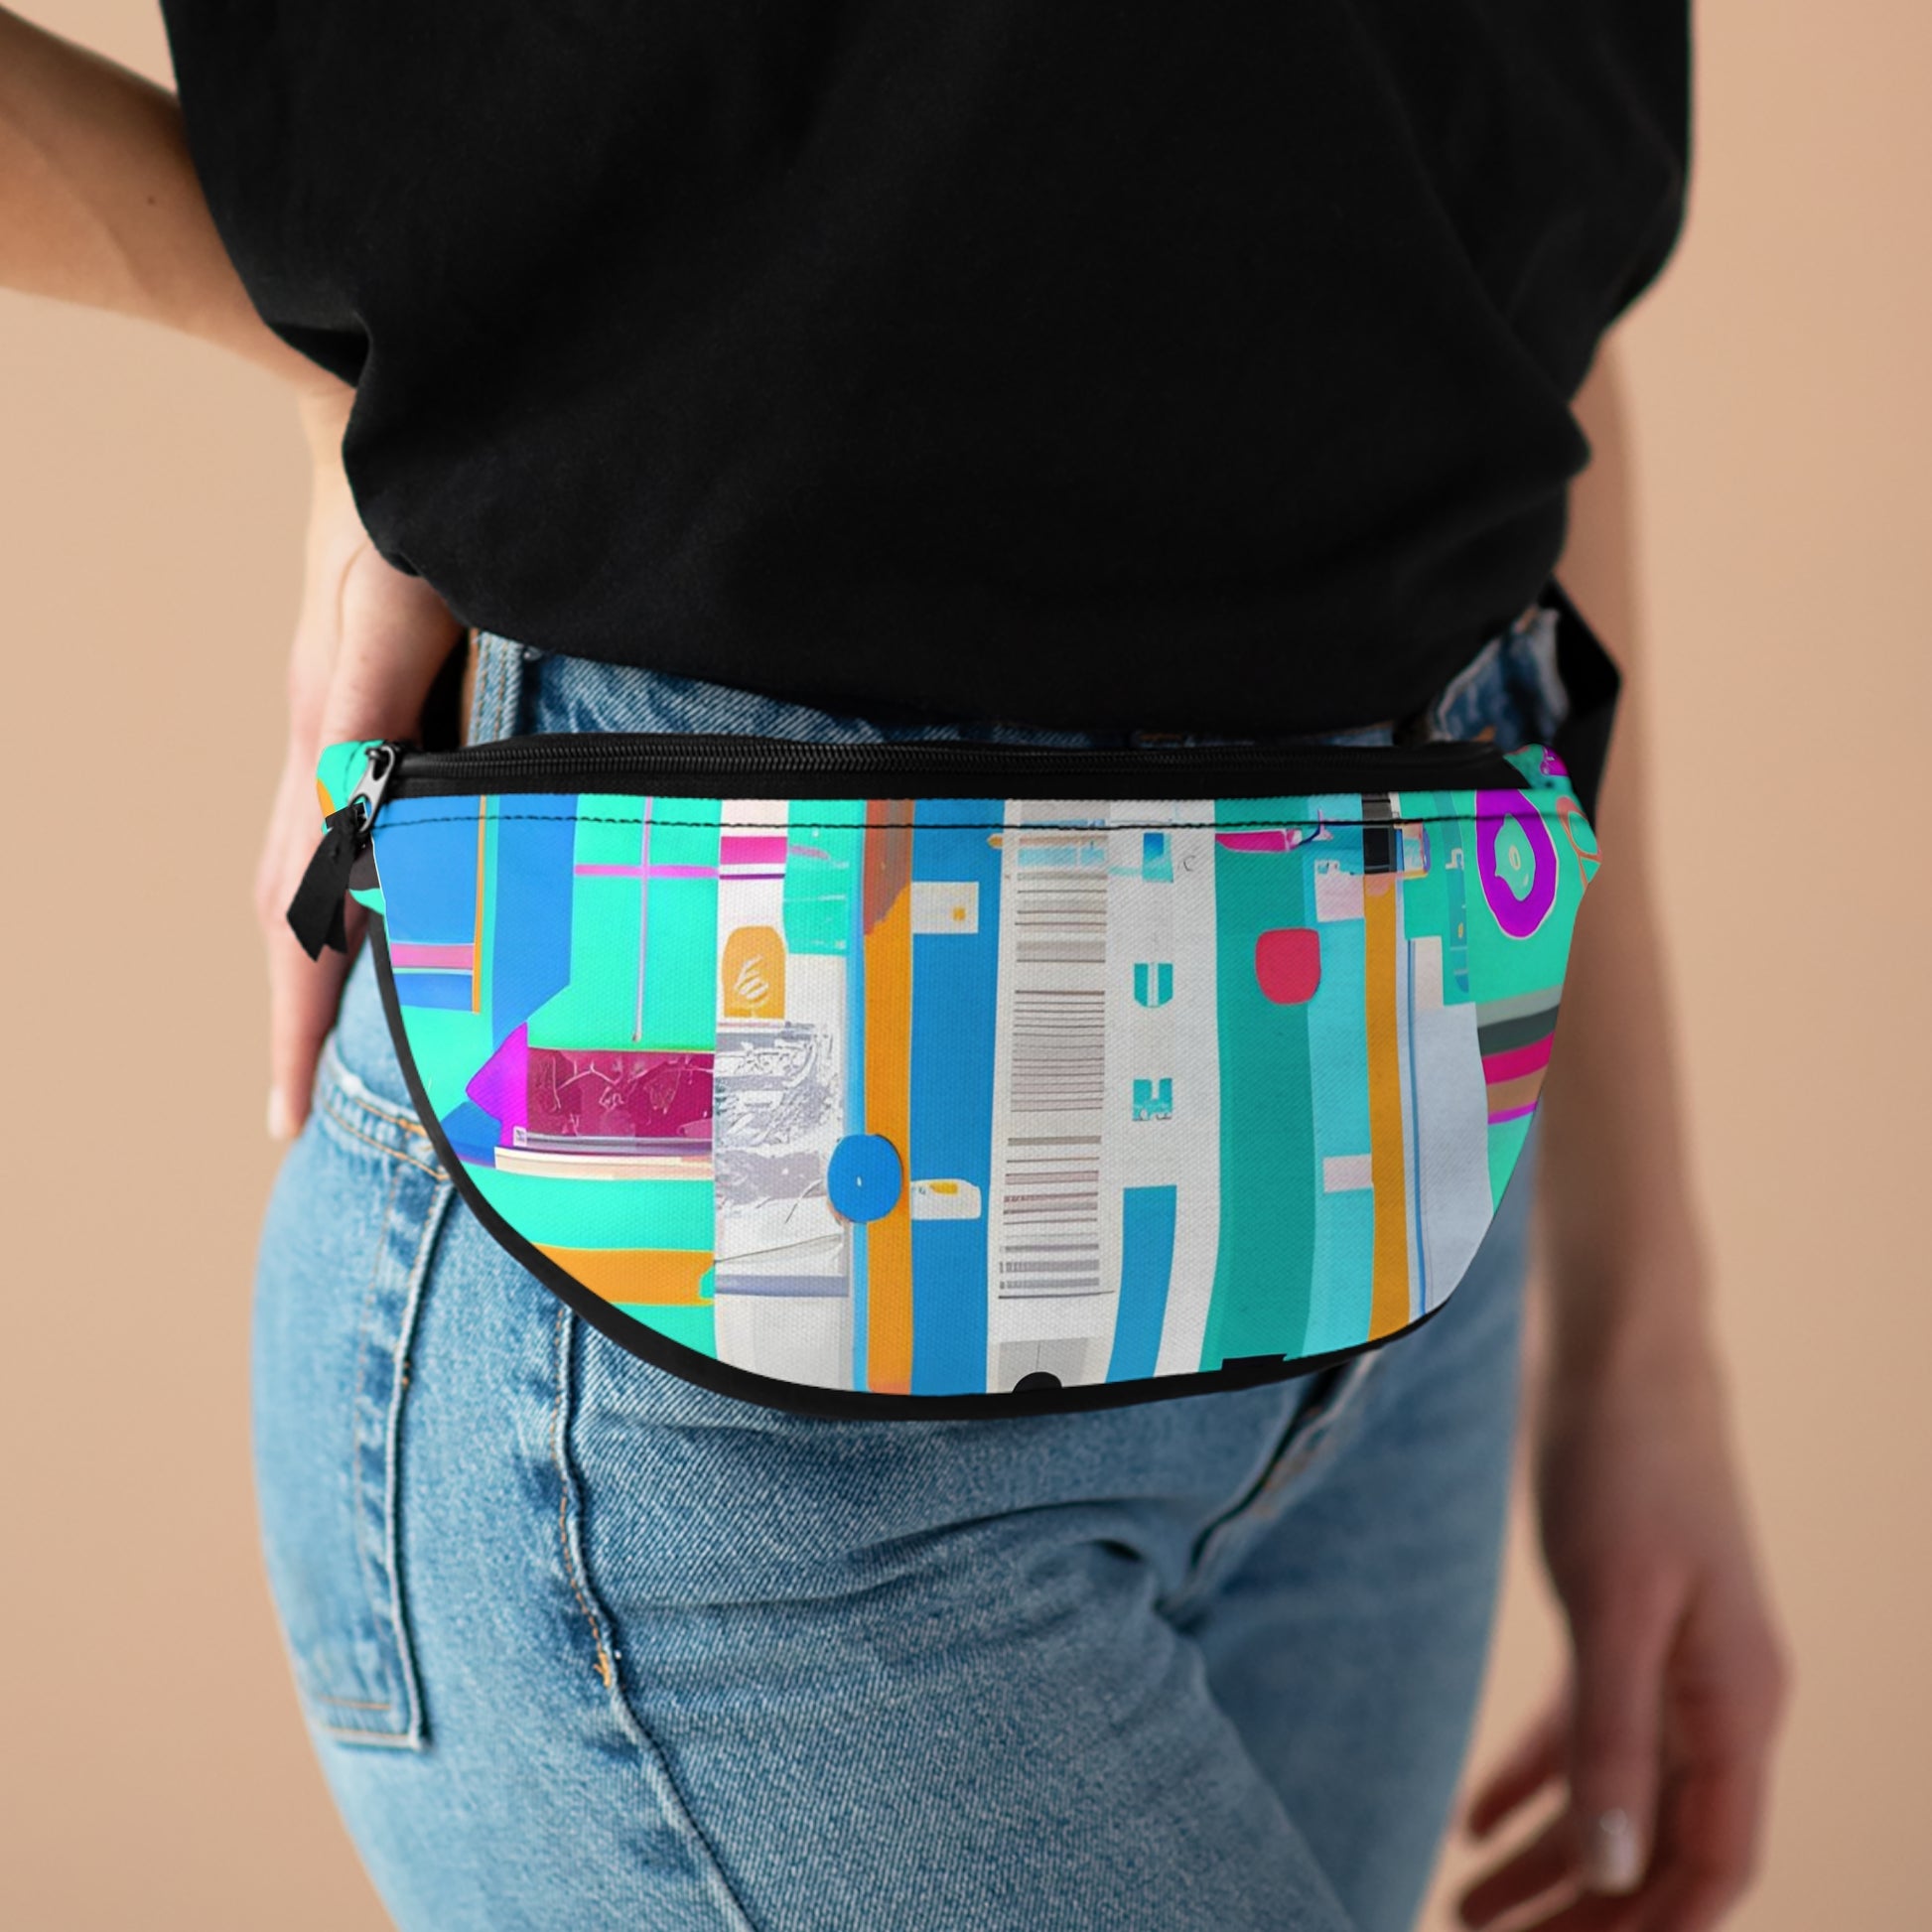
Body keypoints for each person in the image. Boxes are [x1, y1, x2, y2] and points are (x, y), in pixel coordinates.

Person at [1, 8, 1788, 1928]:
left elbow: (1502, 267)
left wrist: (1640, 1330)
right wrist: (345, 375)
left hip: (1404, 1159)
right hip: (723, 1330)